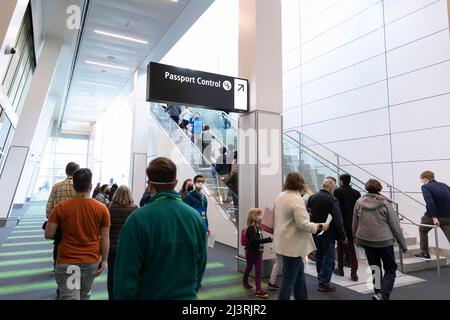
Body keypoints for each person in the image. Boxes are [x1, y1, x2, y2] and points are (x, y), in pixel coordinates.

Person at [114, 157, 207, 300]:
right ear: (176, 183)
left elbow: (125, 277)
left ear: (149, 185)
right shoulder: (195, 218)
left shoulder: (136, 220)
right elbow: (200, 264)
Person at [45, 168, 110, 300]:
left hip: (67, 260)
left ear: (74, 186)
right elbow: (105, 236)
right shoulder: (102, 208)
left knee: (69, 297)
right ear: (91, 186)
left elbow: (49, 234)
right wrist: (104, 260)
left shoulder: (60, 208)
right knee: (85, 296)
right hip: (91, 260)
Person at [274, 173, 328, 300]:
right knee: (288, 280)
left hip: (284, 243)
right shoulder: (296, 199)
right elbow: (303, 224)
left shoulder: (281, 196)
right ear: (300, 184)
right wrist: (320, 226)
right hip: (293, 247)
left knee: (299, 277)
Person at [353, 179, 408, 300]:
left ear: (366, 188)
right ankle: (383, 294)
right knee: (390, 268)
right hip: (384, 241)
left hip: (366, 240)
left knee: (375, 267)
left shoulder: (359, 202)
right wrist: (403, 244)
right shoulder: (385, 203)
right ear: (379, 189)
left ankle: (378, 293)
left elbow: (355, 222)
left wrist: (355, 238)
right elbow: (394, 225)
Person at [307, 178, 346, 292]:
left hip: (316, 231)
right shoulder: (332, 199)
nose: (334, 188)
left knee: (319, 255)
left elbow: (309, 212)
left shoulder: (312, 197)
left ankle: (321, 277)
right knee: (328, 258)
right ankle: (324, 283)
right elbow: (338, 219)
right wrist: (342, 236)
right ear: (331, 187)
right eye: (334, 186)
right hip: (328, 233)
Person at [45, 162, 80, 269]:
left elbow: (49, 206)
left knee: (58, 242)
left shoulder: (56, 186)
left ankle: (57, 263)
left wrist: (50, 219)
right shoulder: (78, 186)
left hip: (59, 220)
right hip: (75, 221)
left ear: (66, 172)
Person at [107, 185, 137, 300]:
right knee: (128, 275)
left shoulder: (109, 207)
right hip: (128, 248)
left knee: (112, 275)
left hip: (112, 248)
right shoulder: (134, 208)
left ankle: (112, 297)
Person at [415, 171, 450, 260]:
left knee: (422, 228)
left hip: (434, 217)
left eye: (422, 179)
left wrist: (434, 217)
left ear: (425, 178)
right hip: (448, 217)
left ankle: (425, 253)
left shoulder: (425, 187)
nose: (421, 181)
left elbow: (430, 202)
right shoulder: (444, 185)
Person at [333, 174, 361, 281]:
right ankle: (354, 272)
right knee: (352, 247)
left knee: (340, 247)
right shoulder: (357, 193)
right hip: (353, 224)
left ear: (341, 181)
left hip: (342, 224)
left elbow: (336, 209)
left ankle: (340, 269)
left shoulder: (338, 192)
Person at [243, 208, 273, 299]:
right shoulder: (251, 228)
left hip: (259, 252)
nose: (261, 217)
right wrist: (269, 239)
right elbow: (255, 241)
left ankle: (258, 290)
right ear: (253, 217)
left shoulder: (258, 227)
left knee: (258, 271)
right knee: (249, 267)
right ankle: (245, 282)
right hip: (251, 252)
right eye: (259, 215)